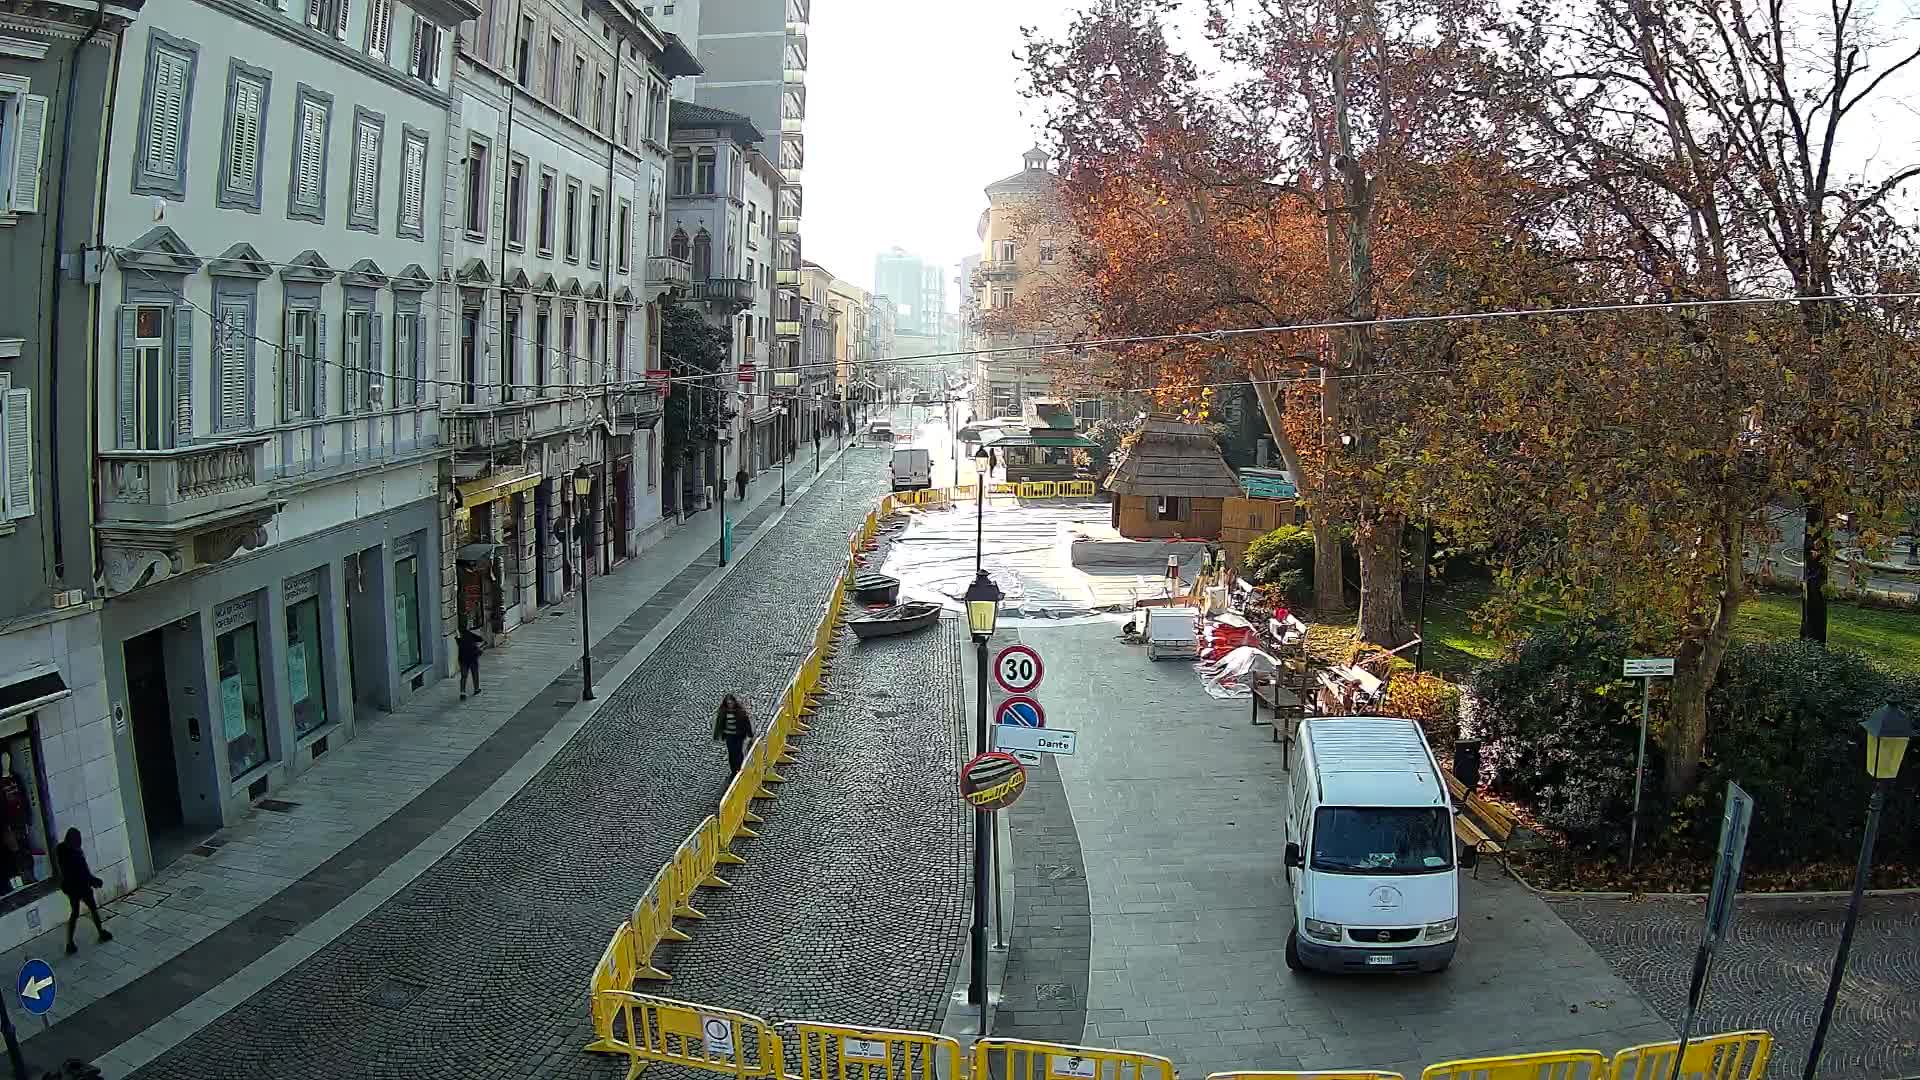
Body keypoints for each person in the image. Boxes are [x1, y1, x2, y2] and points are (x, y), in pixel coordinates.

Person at [56, 828, 111, 954]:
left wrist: (91, 880)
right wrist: (93, 881)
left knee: (76, 913)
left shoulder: (62, 849)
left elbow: (79, 871)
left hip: (72, 887)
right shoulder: (74, 853)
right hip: (80, 886)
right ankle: (100, 932)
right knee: (91, 909)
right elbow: (82, 872)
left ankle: (70, 942)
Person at [712, 694, 754, 777]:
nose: (730, 704)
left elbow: (746, 723)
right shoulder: (723, 712)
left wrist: (749, 733)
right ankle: (734, 770)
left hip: (738, 735)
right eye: (728, 703)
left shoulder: (740, 712)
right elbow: (719, 724)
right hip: (729, 736)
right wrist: (717, 735)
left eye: (731, 702)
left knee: (738, 752)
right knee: (731, 753)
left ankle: (740, 768)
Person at [457, 625, 483, 699]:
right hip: (472, 657)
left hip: (463, 658)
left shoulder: (460, 636)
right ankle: (476, 689)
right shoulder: (472, 634)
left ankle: (462, 692)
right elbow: (480, 639)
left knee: (464, 676)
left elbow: (458, 643)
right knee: (475, 673)